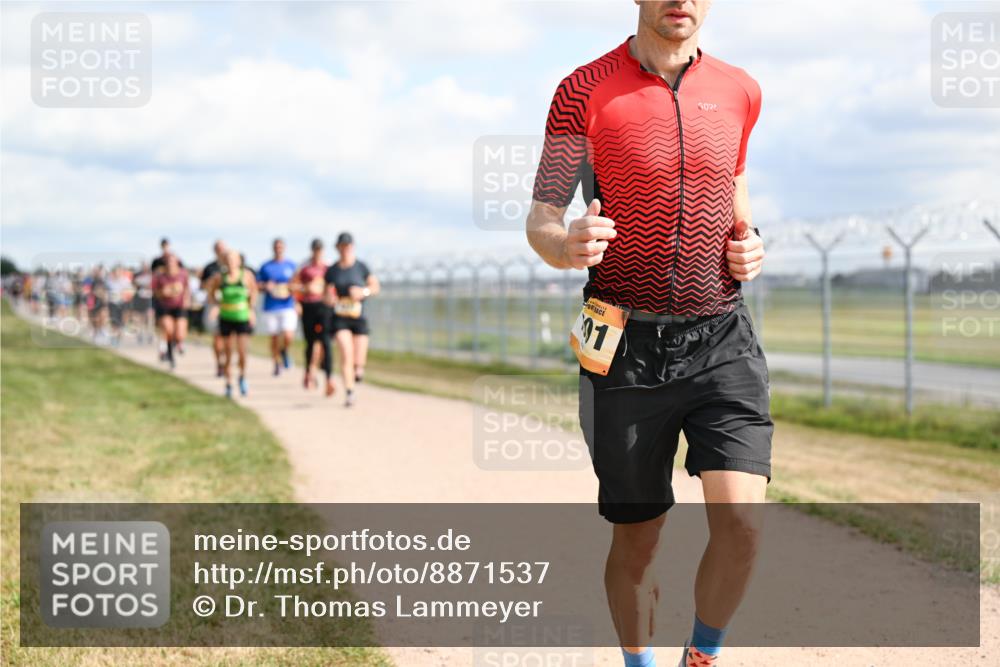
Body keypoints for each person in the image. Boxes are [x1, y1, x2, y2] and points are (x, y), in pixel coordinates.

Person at [526, 2, 770, 666]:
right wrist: (567, 241)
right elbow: (543, 214)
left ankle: (702, 654)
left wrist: (751, 246)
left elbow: (736, 186)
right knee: (639, 541)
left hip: (722, 334)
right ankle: (639, 659)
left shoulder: (740, 89)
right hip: (621, 343)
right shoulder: (583, 90)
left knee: (743, 524)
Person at [325, 232, 379, 407]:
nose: (345, 249)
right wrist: (329, 299)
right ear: (338, 247)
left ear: (352, 247)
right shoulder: (332, 270)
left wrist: (363, 292)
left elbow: (375, 287)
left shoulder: (361, 267)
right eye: (342, 246)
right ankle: (349, 392)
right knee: (345, 354)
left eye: (348, 246)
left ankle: (358, 370)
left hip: (358, 317)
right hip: (340, 318)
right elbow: (326, 295)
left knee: (358, 360)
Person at [205, 249, 257, 398]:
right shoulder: (219, 278)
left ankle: (242, 376)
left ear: (239, 261)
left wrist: (251, 309)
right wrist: (216, 306)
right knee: (227, 352)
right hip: (226, 317)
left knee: (242, 352)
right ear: (224, 262)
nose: (231, 262)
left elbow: (254, 292)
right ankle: (228, 383)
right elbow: (211, 294)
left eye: (233, 259)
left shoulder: (246, 276)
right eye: (228, 260)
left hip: (242, 317)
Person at [294, 238, 334, 396]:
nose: (318, 252)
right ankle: (309, 372)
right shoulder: (304, 267)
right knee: (310, 343)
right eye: (315, 249)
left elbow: (334, 288)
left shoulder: (328, 268)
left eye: (320, 249)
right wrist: (304, 290)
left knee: (325, 343)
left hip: (323, 309)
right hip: (308, 307)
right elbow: (293, 286)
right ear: (312, 250)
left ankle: (329, 379)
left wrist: (330, 297)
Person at [258, 238, 299, 376]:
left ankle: (284, 351)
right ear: (273, 248)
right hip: (271, 306)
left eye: (281, 246)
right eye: (276, 246)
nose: (278, 249)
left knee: (288, 335)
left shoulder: (292, 265)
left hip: (287, 305)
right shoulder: (265, 266)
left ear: (284, 248)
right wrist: (265, 286)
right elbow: (257, 285)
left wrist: (294, 294)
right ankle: (276, 363)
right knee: (274, 338)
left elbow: (298, 285)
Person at [152, 254, 189, 369]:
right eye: (168, 262)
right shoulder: (159, 276)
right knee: (168, 330)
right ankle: (170, 355)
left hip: (179, 306)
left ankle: (176, 344)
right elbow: (155, 292)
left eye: (173, 261)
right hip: (165, 307)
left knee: (179, 334)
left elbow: (187, 288)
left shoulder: (183, 274)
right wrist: (164, 292)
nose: (170, 264)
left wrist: (187, 300)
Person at [201, 240, 228, 377]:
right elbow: (202, 286)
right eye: (218, 249)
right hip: (214, 305)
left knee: (228, 339)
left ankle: (226, 361)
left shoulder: (232, 267)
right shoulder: (209, 268)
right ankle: (219, 363)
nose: (221, 251)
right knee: (217, 337)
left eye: (222, 248)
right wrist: (210, 283)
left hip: (229, 306)